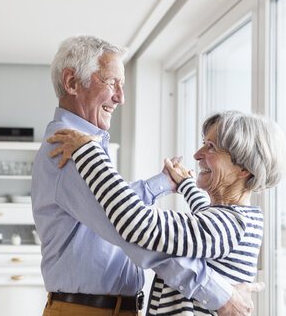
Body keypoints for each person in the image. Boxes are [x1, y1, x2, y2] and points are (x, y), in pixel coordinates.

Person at [32, 36, 262, 316]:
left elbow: (114, 203)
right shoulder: (71, 150)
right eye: (111, 82)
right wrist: (220, 294)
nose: (120, 97)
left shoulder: (83, 146)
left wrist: (163, 183)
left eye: (122, 85)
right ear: (71, 83)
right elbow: (134, 231)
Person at [47, 110, 286, 315]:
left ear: (243, 168)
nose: (197, 154)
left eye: (211, 147)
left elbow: (137, 224)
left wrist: (90, 154)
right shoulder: (242, 218)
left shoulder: (226, 226)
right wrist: (185, 185)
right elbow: (203, 218)